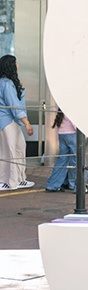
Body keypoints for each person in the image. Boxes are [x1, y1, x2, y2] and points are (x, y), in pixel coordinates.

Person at [0, 55, 33, 190]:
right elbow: (13, 105)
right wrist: (27, 123)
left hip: (12, 121)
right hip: (7, 121)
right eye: (16, 63)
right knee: (10, 151)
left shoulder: (8, 82)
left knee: (19, 148)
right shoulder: (6, 83)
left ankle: (19, 179)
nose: (18, 65)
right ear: (10, 66)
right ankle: (6, 181)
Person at [45, 110, 87, 193]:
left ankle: (52, 185)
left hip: (62, 133)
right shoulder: (73, 102)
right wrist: (84, 134)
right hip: (73, 134)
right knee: (79, 161)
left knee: (62, 160)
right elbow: (74, 120)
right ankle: (80, 188)